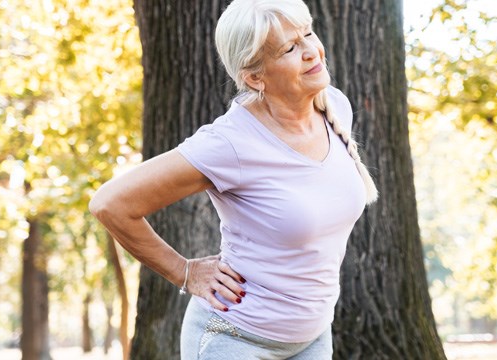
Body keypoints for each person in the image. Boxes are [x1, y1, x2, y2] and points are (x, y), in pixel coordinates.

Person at [89, 0, 378, 358]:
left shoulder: (335, 106)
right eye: (289, 47)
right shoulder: (230, 143)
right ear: (255, 77)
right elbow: (110, 204)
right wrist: (184, 271)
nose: (310, 52)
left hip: (313, 339)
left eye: (307, 34)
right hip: (232, 338)